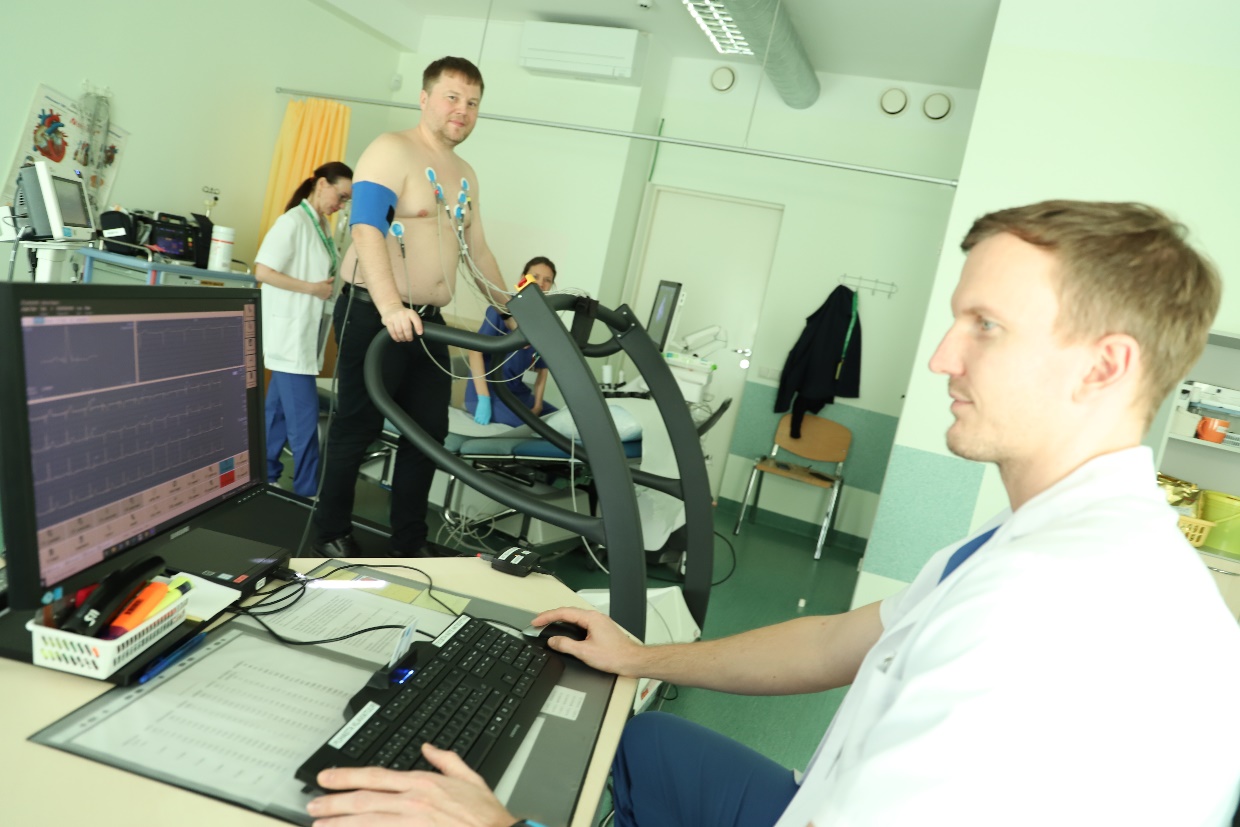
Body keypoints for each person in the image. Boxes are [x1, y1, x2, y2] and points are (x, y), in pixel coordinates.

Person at [305, 200, 1240, 826]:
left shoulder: (1056, 614)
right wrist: (640, 656)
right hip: (816, 800)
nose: (941, 357)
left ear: (1105, 364)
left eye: (986, 326)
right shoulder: (1039, 540)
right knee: (638, 742)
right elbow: (839, 639)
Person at [312, 57, 509, 557]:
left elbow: (478, 252)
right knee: (357, 426)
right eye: (452, 97)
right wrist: (390, 306)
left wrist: (515, 310)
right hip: (375, 312)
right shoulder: (391, 150)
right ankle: (330, 532)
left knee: (428, 435)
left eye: (472, 102)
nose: (461, 110)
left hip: (430, 323)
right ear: (424, 98)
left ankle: (409, 541)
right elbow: (366, 228)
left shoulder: (465, 173)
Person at [254, 161, 352, 498]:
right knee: (304, 422)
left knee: (277, 413)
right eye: (341, 196)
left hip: (304, 335)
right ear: (322, 184)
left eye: (346, 200)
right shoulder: (293, 221)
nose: (341, 205)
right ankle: (309, 492)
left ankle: (264, 475)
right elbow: (263, 272)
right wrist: (312, 288)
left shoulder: (322, 225)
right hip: (290, 336)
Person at [465, 256, 559, 427]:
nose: (541, 283)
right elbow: (474, 351)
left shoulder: (544, 320)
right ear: (523, 278)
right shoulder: (503, 309)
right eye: (535, 276)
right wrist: (484, 400)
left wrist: (537, 405)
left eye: (548, 280)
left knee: (560, 420)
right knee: (530, 427)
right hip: (489, 393)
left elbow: (542, 369)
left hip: (519, 396)